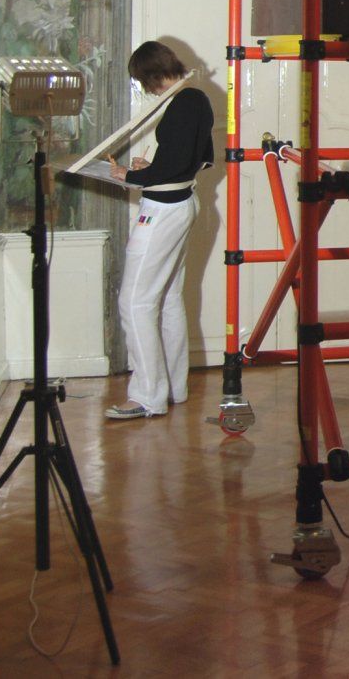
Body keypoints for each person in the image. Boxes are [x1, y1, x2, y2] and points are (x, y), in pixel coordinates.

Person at [105, 41, 213, 420]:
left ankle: (148, 395)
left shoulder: (180, 102)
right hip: (181, 203)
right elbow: (200, 158)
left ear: (151, 75)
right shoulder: (195, 97)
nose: (144, 88)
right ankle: (174, 386)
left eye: (143, 80)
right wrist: (149, 165)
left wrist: (130, 174)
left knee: (134, 302)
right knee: (166, 298)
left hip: (164, 210)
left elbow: (178, 161)